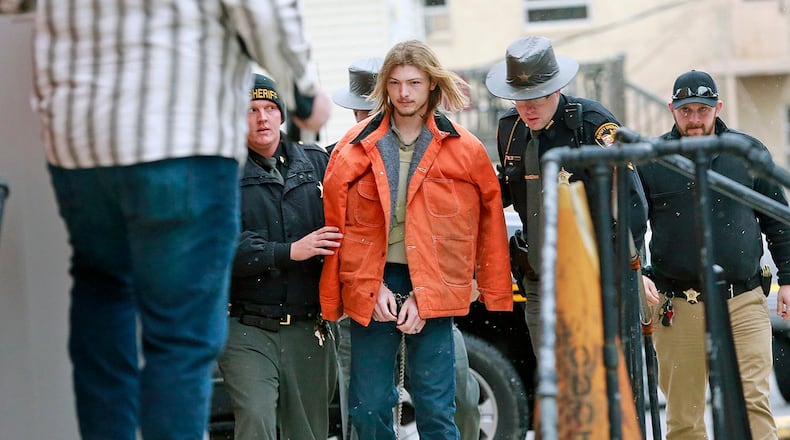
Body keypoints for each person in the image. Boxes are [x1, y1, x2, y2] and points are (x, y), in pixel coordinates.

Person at [0, 1, 330, 439]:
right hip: (180, 135)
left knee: (103, 295)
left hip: (81, 137)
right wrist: (304, 94)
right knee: (180, 330)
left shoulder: (306, 164)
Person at [320, 40, 513, 440]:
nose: (404, 93)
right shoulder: (354, 147)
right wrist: (364, 289)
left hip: (435, 287)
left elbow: (480, 229)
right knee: (368, 408)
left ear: (431, 85)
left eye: (413, 82)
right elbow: (341, 230)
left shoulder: (466, 150)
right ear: (384, 87)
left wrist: (438, 296)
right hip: (374, 284)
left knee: (438, 411)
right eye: (394, 83)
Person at [640, 69, 790, 439]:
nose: (694, 119)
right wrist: (637, 272)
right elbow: (627, 224)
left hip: (744, 299)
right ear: (672, 109)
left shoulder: (746, 152)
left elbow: (778, 220)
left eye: (702, 110)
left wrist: (788, 279)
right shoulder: (651, 160)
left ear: (718, 107)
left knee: (753, 401)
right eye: (686, 110)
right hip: (678, 303)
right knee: (684, 414)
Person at [485, 36, 648, 353]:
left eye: (538, 97)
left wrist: (628, 271)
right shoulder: (510, 129)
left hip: (593, 276)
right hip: (539, 278)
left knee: (602, 382)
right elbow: (506, 189)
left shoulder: (591, 125)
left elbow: (631, 202)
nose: (528, 108)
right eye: (520, 98)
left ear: (557, 88)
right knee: (556, 385)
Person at [219, 74, 340, 440]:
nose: (262, 118)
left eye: (270, 108)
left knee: (309, 431)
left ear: (282, 115)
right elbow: (221, 245)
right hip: (247, 327)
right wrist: (288, 252)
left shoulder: (317, 164)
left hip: (309, 327)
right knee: (255, 420)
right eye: (250, 110)